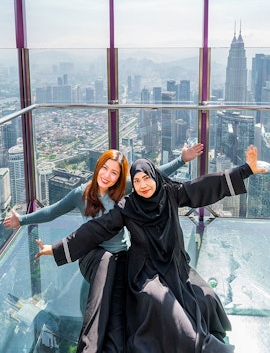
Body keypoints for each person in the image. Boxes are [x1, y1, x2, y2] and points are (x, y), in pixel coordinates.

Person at [35, 146, 266, 352]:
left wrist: (245, 170)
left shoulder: (171, 193)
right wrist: (55, 249)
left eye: (147, 178)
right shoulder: (128, 206)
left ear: (155, 177)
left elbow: (202, 186)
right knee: (162, 303)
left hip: (175, 266)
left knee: (204, 298)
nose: (143, 185)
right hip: (145, 273)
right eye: (137, 181)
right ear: (131, 185)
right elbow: (96, 229)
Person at [4, 143, 204, 352]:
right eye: (105, 168)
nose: (108, 175)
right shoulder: (80, 194)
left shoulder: (122, 189)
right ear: (98, 166)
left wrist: (182, 159)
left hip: (121, 257)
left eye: (114, 173)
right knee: (98, 292)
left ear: (120, 177)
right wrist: (22, 220)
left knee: (120, 304)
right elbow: (52, 212)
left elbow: (154, 176)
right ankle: (90, 341)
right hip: (92, 256)